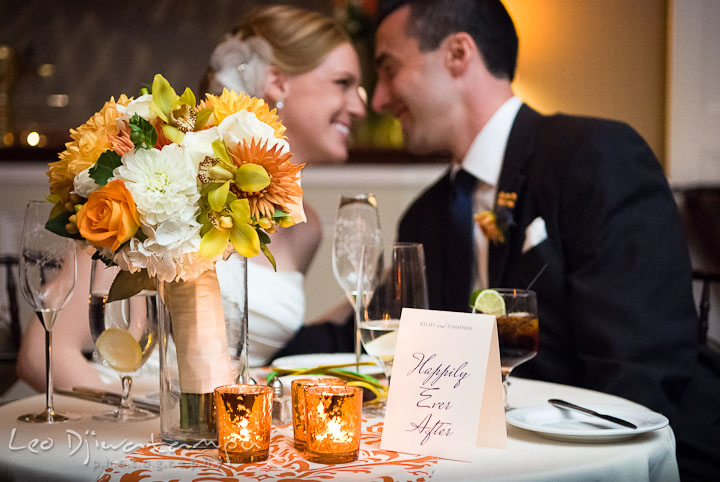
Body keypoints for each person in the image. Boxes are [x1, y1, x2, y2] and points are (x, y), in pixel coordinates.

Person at [371, 1, 719, 479]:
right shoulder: (423, 218)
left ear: (457, 53)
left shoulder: (596, 157)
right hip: (491, 461)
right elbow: (386, 330)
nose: (378, 99)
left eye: (388, 69)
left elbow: (637, 371)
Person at [17, 4, 365, 390]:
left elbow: (253, 345)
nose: (360, 106)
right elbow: (43, 355)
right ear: (278, 83)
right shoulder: (169, 186)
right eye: (343, 83)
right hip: (120, 421)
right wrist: (146, 437)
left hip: (225, 435)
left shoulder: (306, 229)